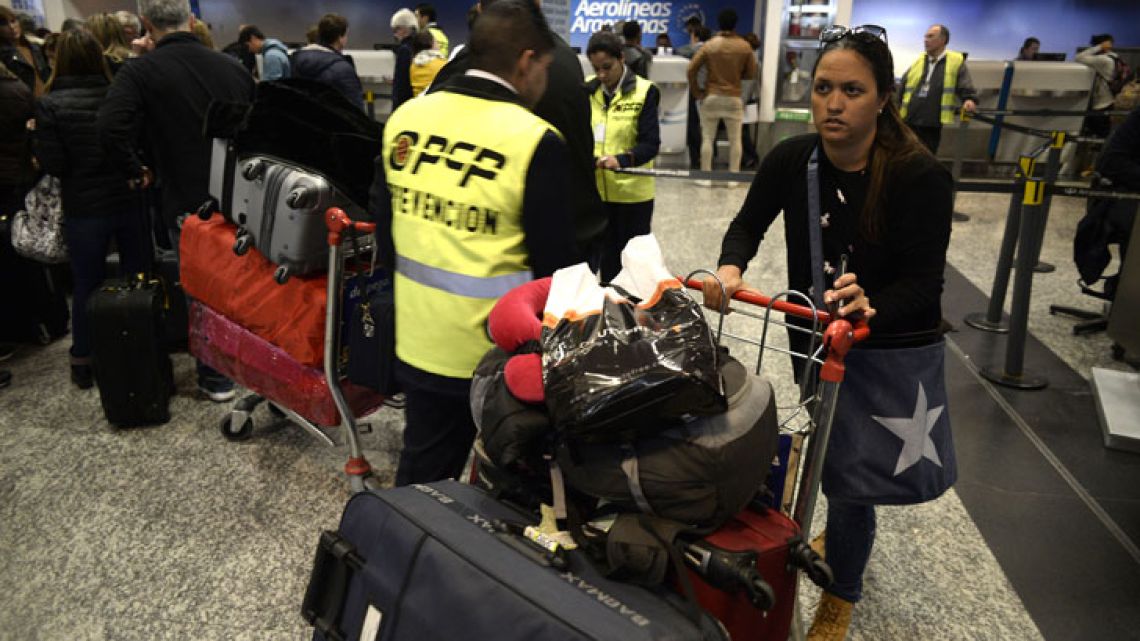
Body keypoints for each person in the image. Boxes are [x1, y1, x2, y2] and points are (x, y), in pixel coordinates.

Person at [701, 24, 952, 640]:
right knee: (826, 451)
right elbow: (747, 225)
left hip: (884, 350)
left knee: (849, 483)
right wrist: (731, 268)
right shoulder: (794, 159)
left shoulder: (919, 177)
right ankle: (835, 540)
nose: (833, 103)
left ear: (883, 98)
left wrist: (871, 307)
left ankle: (841, 595)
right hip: (812, 338)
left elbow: (925, 287)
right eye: (822, 88)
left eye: (852, 90)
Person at [371, 0, 579, 486]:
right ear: (526, 62)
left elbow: (387, 231)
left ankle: (404, 553)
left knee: (422, 478)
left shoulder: (405, 120)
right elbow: (557, 272)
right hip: (500, 361)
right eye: (544, 69)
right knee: (510, 487)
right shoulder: (533, 140)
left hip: (419, 342)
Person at [97, 0, 254, 402]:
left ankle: (216, 378)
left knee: (199, 289)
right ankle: (252, 369)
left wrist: (137, 168)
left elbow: (111, 126)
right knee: (243, 282)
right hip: (240, 195)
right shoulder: (232, 67)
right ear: (192, 20)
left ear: (146, 24)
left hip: (184, 197)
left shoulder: (140, 71)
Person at [428, 0, 604, 265]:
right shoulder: (564, 56)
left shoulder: (467, 67)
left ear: (482, 9)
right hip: (571, 236)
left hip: (491, 252)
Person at [34, 29, 151, 389]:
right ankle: (144, 348)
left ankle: (83, 358)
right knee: (138, 276)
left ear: (59, 59)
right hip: (126, 195)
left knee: (87, 283)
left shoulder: (50, 103)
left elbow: (53, 163)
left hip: (83, 205)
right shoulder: (117, 92)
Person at [585, 30, 660, 281]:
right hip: (599, 196)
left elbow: (651, 144)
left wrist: (622, 160)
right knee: (606, 268)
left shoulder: (645, 91)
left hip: (633, 199)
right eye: (596, 69)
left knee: (633, 271)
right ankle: (609, 316)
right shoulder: (588, 90)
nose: (602, 75)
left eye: (607, 67)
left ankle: (633, 318)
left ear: (621, 59)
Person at [687, 8, 757, 178]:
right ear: (735, 24)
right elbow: (751, 73)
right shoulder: (744, 46)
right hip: (734, 97)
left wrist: (697, 92)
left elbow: (691, 69)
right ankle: (733, 178)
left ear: (719, 23)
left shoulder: (710, 45)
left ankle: (705, 177)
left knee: (708, 138)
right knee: (735, 140)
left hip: (711, 96)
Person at [899, 24, 978, 154]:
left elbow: (965, 84)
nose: (925, 40)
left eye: (930, 36)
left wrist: (969, 99)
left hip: (931, 122)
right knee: (904, 157)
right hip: (909, 119)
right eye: (925, 36)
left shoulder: (955, 61)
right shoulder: (919, 60)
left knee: (926, 158)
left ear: (943, 40)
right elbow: (903, 86)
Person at [292, 13, 364, 110]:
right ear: (340, 39)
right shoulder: (343, 69)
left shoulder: (295, 60)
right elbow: (356, 111)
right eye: (346, 35)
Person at [1076, 34, 1122, 140]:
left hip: (1101, 103)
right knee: (1104, 134)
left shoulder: (1103, 60)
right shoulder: (1114, 57)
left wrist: (1100, 47)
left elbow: (1079, 57)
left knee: (1099, 135)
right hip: (1110, 99)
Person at [0, 6, 51, 96]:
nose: (11, 27)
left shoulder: (36, 48)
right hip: (25, 104)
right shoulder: (3, 55)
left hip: (48, 100)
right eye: (4, 24)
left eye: (13, 21)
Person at [390, 8, 418, 110]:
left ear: (404, 29)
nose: (394, 34)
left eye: (396, 29)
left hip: (404, 105)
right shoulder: (418, 45)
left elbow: (401, 86)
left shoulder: (404, 50)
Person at [409, 30, 445, 96]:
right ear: (431, 43)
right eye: (436, 42)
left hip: (417, 102)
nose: (438, 45)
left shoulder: (413, 65)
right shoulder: (441, 64)